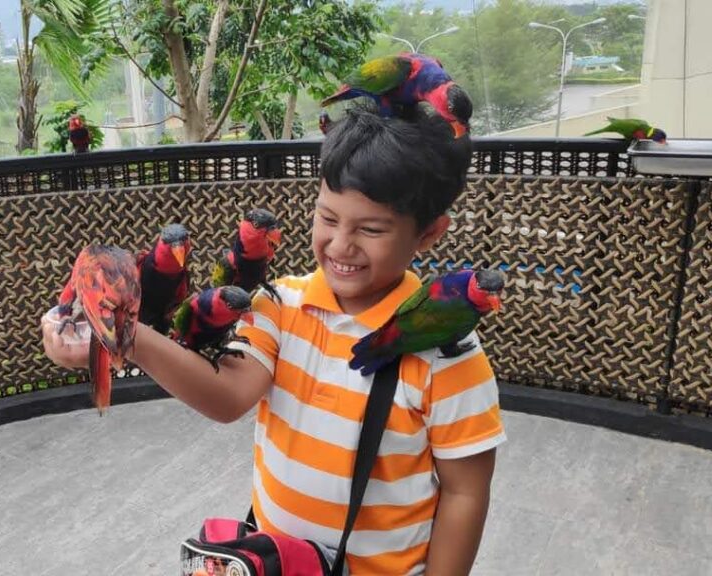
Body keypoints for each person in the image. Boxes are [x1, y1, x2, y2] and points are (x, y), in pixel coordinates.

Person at [43, 109, 505, 575]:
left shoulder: (449, 357)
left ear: (428, 233)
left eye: (370, 229)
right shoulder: (279, 304)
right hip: (278, 564)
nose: (341, 245)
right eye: (327, 217)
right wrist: (125, 335)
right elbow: (227, 397)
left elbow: (465, 491)